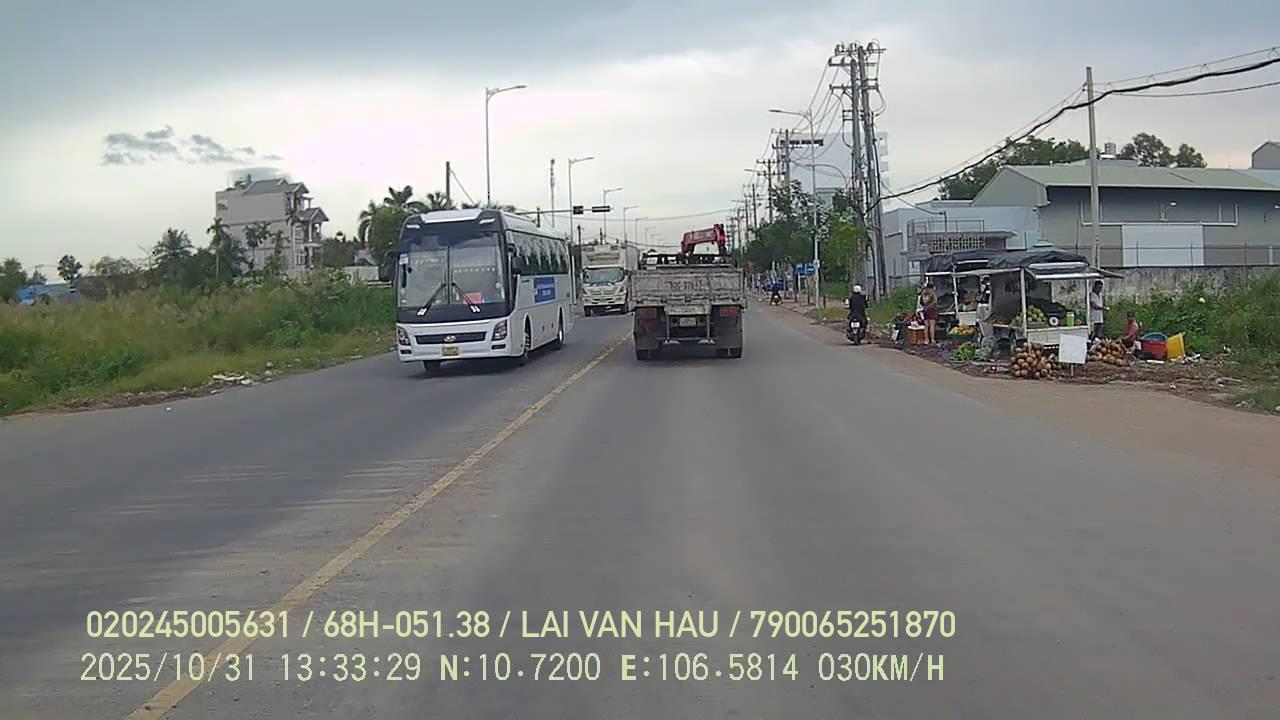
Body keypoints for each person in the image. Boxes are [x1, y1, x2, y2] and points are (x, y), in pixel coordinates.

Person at [975, 275, 993, 339]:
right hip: (982, 308)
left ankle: (988, 337)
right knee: (983, 324)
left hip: (986, 308)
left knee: (987, 325)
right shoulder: (983, 291)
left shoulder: (989, 290)